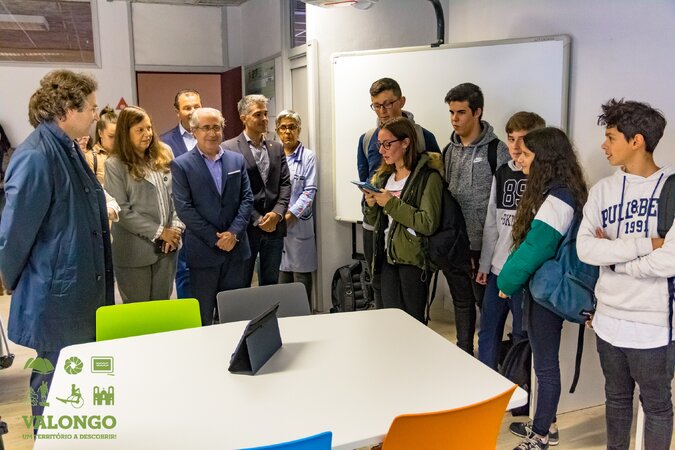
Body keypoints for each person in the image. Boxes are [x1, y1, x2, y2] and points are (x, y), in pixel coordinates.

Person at [0, 70, 114, 420]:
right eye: (91, 107)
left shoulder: (67, 148)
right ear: (66, 109)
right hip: (57, 295)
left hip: (76, 289)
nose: (95, 115)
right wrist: (15, 280)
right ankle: (50, 441)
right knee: (54, 383)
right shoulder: (36, 156)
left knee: (76, 381)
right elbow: (14, 233)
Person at [577, 99, 674, 450]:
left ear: (637, 141)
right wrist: (647, 244)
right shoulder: (602, 191)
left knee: (657, 405)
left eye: (611, 137)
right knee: (616, 399)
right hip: (608, 319)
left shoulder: (671, 189)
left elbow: (670, 261)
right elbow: (586, 248)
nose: (604, 145)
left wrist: (615, 259)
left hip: (653, 323)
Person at [497, 127, 588, 450]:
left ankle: (540, 436)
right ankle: (546, 423)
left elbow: (537, 246)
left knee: (545, 367)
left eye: (526, 154)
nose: (519, 158)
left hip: (547, 295)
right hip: (547, 291)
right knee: (543, 363)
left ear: (545, 159)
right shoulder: (561, 191)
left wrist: (506, 283)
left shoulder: (558, 197)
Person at [358, 77, 440, 309]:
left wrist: (392, 203)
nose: (382, 111)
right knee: (381, 293)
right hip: (378, 231)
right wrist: (370, 202)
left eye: (387, 104)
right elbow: (366, 180)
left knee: (411, 308)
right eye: (376, 105)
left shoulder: (424, 140)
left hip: (411, 240)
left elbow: (429, 209)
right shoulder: (367, 140)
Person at [442, 82, 510, 355]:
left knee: (487, 310)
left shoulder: (497, 150)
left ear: (477, 112)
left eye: (461, 112)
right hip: (455, 244)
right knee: (461, 303)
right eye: (451, 112)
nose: (454, 119)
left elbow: (504, 205)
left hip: (485, 248)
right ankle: (463, 353)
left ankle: (488, 360)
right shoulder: (449, 151)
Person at [172, 107, 253, 325]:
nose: (212, 133)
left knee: (235, 316)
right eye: (205, 128)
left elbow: (247, 199)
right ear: (194, 131)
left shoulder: (237, 160)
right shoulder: (181, 165)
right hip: (203, 252)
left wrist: (233, 233)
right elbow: (184, 208)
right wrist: (215, 238)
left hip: (236, 251)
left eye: (216, 127)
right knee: (203, 317)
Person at [476, 111, 545, 369]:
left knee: (521, 333)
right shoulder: (503, 172)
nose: (515, 146)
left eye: (522, 139)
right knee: (488, 328)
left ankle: (518, 384)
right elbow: (492, 222)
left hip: (524, 272)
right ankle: (485, 379)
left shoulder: (543, 177)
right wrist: (485, 264)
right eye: (511, 138)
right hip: (498, 267)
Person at [104, 106, 183, 303]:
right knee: (139, 312)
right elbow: (122, 210)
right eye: (140, 130)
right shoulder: (114, 164)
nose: (147, 134)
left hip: (167, 248)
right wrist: (161, 232)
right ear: (125, 133)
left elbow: (178, 195)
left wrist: (175, 229)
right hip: (133, 253)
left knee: (162, 309)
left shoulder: (165, 152)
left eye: (149, 128)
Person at [223, 94, 291, 287]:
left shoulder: (276, 148)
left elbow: (285, 184)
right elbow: (233, 192)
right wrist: (257, 219)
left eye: (266, 114)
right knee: (242, 283)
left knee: (271, 283)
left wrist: (277, 214)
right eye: (258, 114)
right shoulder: (229, 149)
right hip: (246, 228)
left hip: (274, 227)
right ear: (243, 118)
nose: (264, 119)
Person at [161, 89, 203, 299]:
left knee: (211, 273)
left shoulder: (212, 136)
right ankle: (190, 315)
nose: (193, 111)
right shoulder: (164, 143)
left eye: (197, 106)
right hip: (181, 219)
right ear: (177, 111)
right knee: (184, 274)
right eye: (187, 108)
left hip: (209, 219)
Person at [275, 110, 317, 306]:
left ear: (299, 130)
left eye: (292, 127)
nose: (287, 132)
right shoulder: (274, 154)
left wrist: (292, 215)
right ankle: (282, 319)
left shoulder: (308, 157)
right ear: (277, 131)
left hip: (298, 225)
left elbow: (310, 191)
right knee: (280, 277)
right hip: (276, 223)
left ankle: (303, 318)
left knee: (301, 279)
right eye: (283, 127)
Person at [85, 105, 116, 185]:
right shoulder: (90, 158)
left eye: (118, 136)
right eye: (111, 136)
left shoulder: (124, 156)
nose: (115, 140)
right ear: (100, 133)